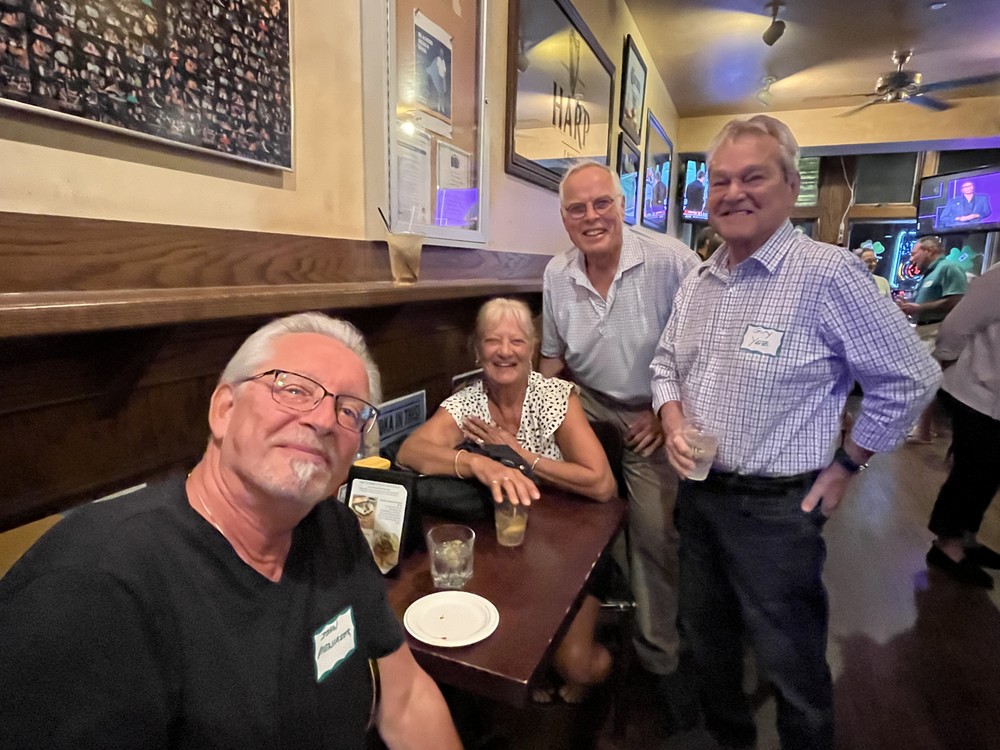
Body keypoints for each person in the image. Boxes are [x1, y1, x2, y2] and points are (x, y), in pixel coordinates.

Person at [0, 312, 461, 750]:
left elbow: (405, 699)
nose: (323, 421)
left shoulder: (334, 527)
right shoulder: (92, 589)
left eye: (349, 411)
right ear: (224, 409)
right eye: (294, 390)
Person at [651, 114, 940, 750]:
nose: (733, 192)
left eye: (753, 177)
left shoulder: (828, 275)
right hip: (699, 493)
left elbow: (911, 378)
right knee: (708, 640)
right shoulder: (700, 277)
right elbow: (665, 362)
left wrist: (848, 465)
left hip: (777, 511)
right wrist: (671, 418)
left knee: (791, 661)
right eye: (720, 180)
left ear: (789, 185)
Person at [540, 161, 700, 730]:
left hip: (655, 409)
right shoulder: (557, 273)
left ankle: (660, 660)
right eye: (576, 208)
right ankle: (566, 641)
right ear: (564, 218)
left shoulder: (672, 261)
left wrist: (666, 410)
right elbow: (552, 361)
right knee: (561, 522)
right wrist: (541, 430)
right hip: (589, 404)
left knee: (655, 537)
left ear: (622, 205)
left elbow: (706, 352)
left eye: (601, 203)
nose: (591, 217)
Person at [397, 297, 616, 701]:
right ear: (476, 350)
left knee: (577, 664)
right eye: (492, 340)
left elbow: (601, 484)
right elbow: (410, 451)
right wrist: (477, 464)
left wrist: (519, 456)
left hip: (571, 546)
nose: (504, 351)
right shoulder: (468, 402)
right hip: (506, 545)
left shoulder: (554, 396)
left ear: (531, 348)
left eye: (516, 341)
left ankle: (618, 665)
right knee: (505, 646)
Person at [926, 263, 1000, 589]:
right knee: (973, 471)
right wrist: (945, 358)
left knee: (988, 474)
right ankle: (947, 544)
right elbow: (956, 326)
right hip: (978, 393)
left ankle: (967, 537)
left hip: (992, 396)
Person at [897, 235, 967, 442]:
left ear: (928, 250)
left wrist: (919, 308)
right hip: (924, 330)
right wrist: (909, 306)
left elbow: (956, 300)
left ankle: (923, 432)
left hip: (937, 331)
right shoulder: (930, 273)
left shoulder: (949, 268)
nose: (911, 259)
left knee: (925, 381)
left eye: (914, 253)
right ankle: (923, 428)